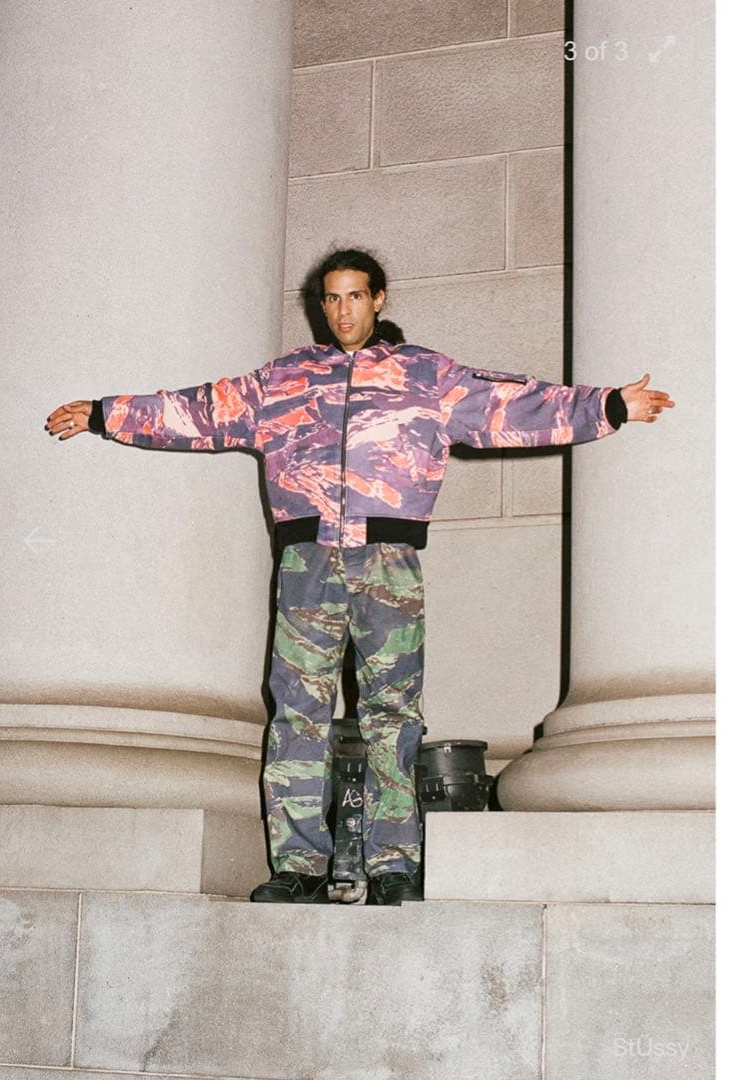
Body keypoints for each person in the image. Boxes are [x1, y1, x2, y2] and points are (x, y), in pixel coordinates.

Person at [45, 247, 674, 906]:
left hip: (388, 564)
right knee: (297, 714)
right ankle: (298, 864)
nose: (342, 310)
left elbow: (511, 405)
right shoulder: (284, 380)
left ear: (378, 300)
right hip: (307, 563)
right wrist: (104, 413)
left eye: (354, 296)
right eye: (331, 298)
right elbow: (196, 409)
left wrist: (608, 405)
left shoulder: (425, 376)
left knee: (392, 714)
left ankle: (394, 862)